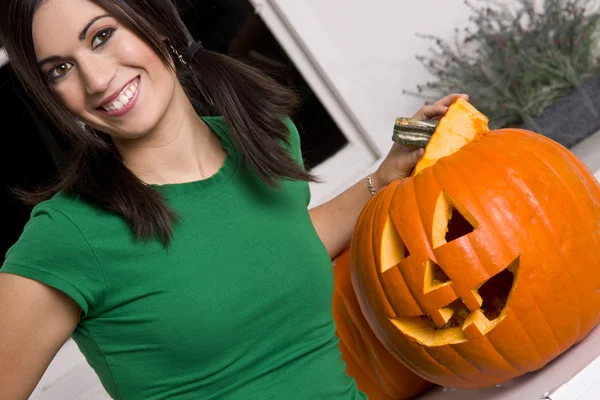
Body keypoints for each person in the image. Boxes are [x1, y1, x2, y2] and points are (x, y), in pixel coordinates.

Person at [0, 0, 466, 398]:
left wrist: (382, 178)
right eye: (60, 69)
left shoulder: (267, 139)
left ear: (155, 22)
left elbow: (277, 247)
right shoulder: (68, 236)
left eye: (101, 36)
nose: (96, 80)